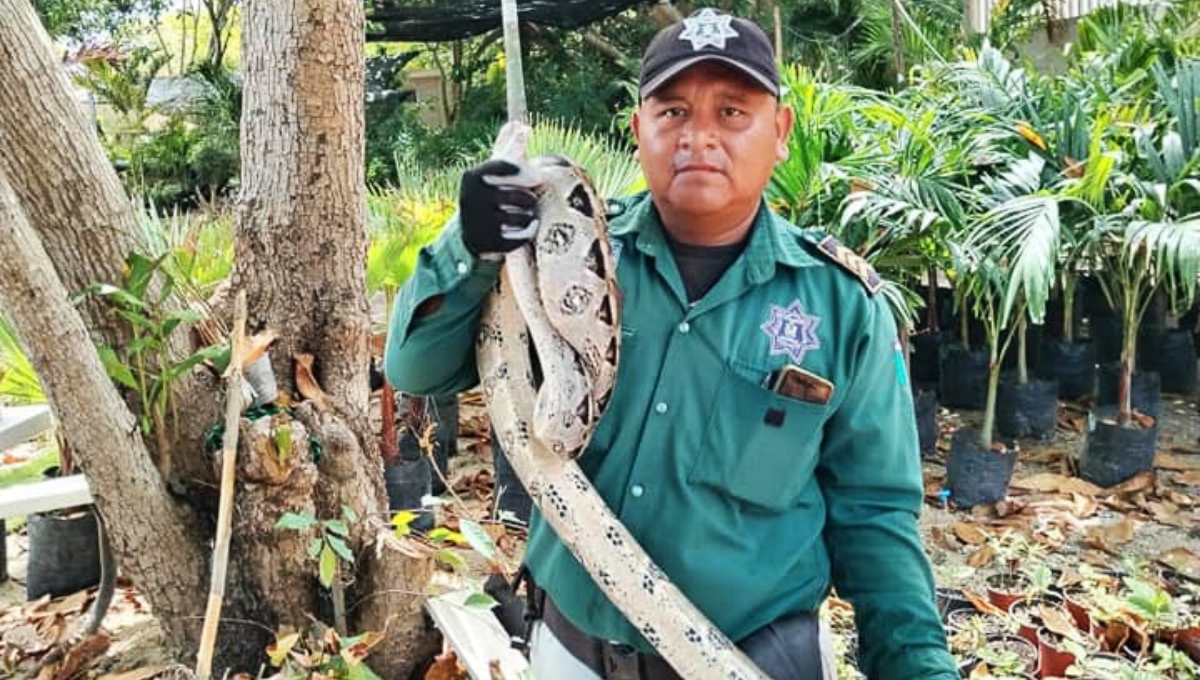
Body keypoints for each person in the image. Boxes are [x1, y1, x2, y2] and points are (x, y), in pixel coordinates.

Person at [385, 8, 957, 679]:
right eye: (674, 112)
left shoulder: (839, 306)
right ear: (638, 132)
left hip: (748, 662)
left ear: (780, 132)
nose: (699, 137)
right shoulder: (557, 256)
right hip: (571, 656)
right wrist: (472, 245)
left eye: (733, 113)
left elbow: (876, 516)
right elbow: (415, 367)